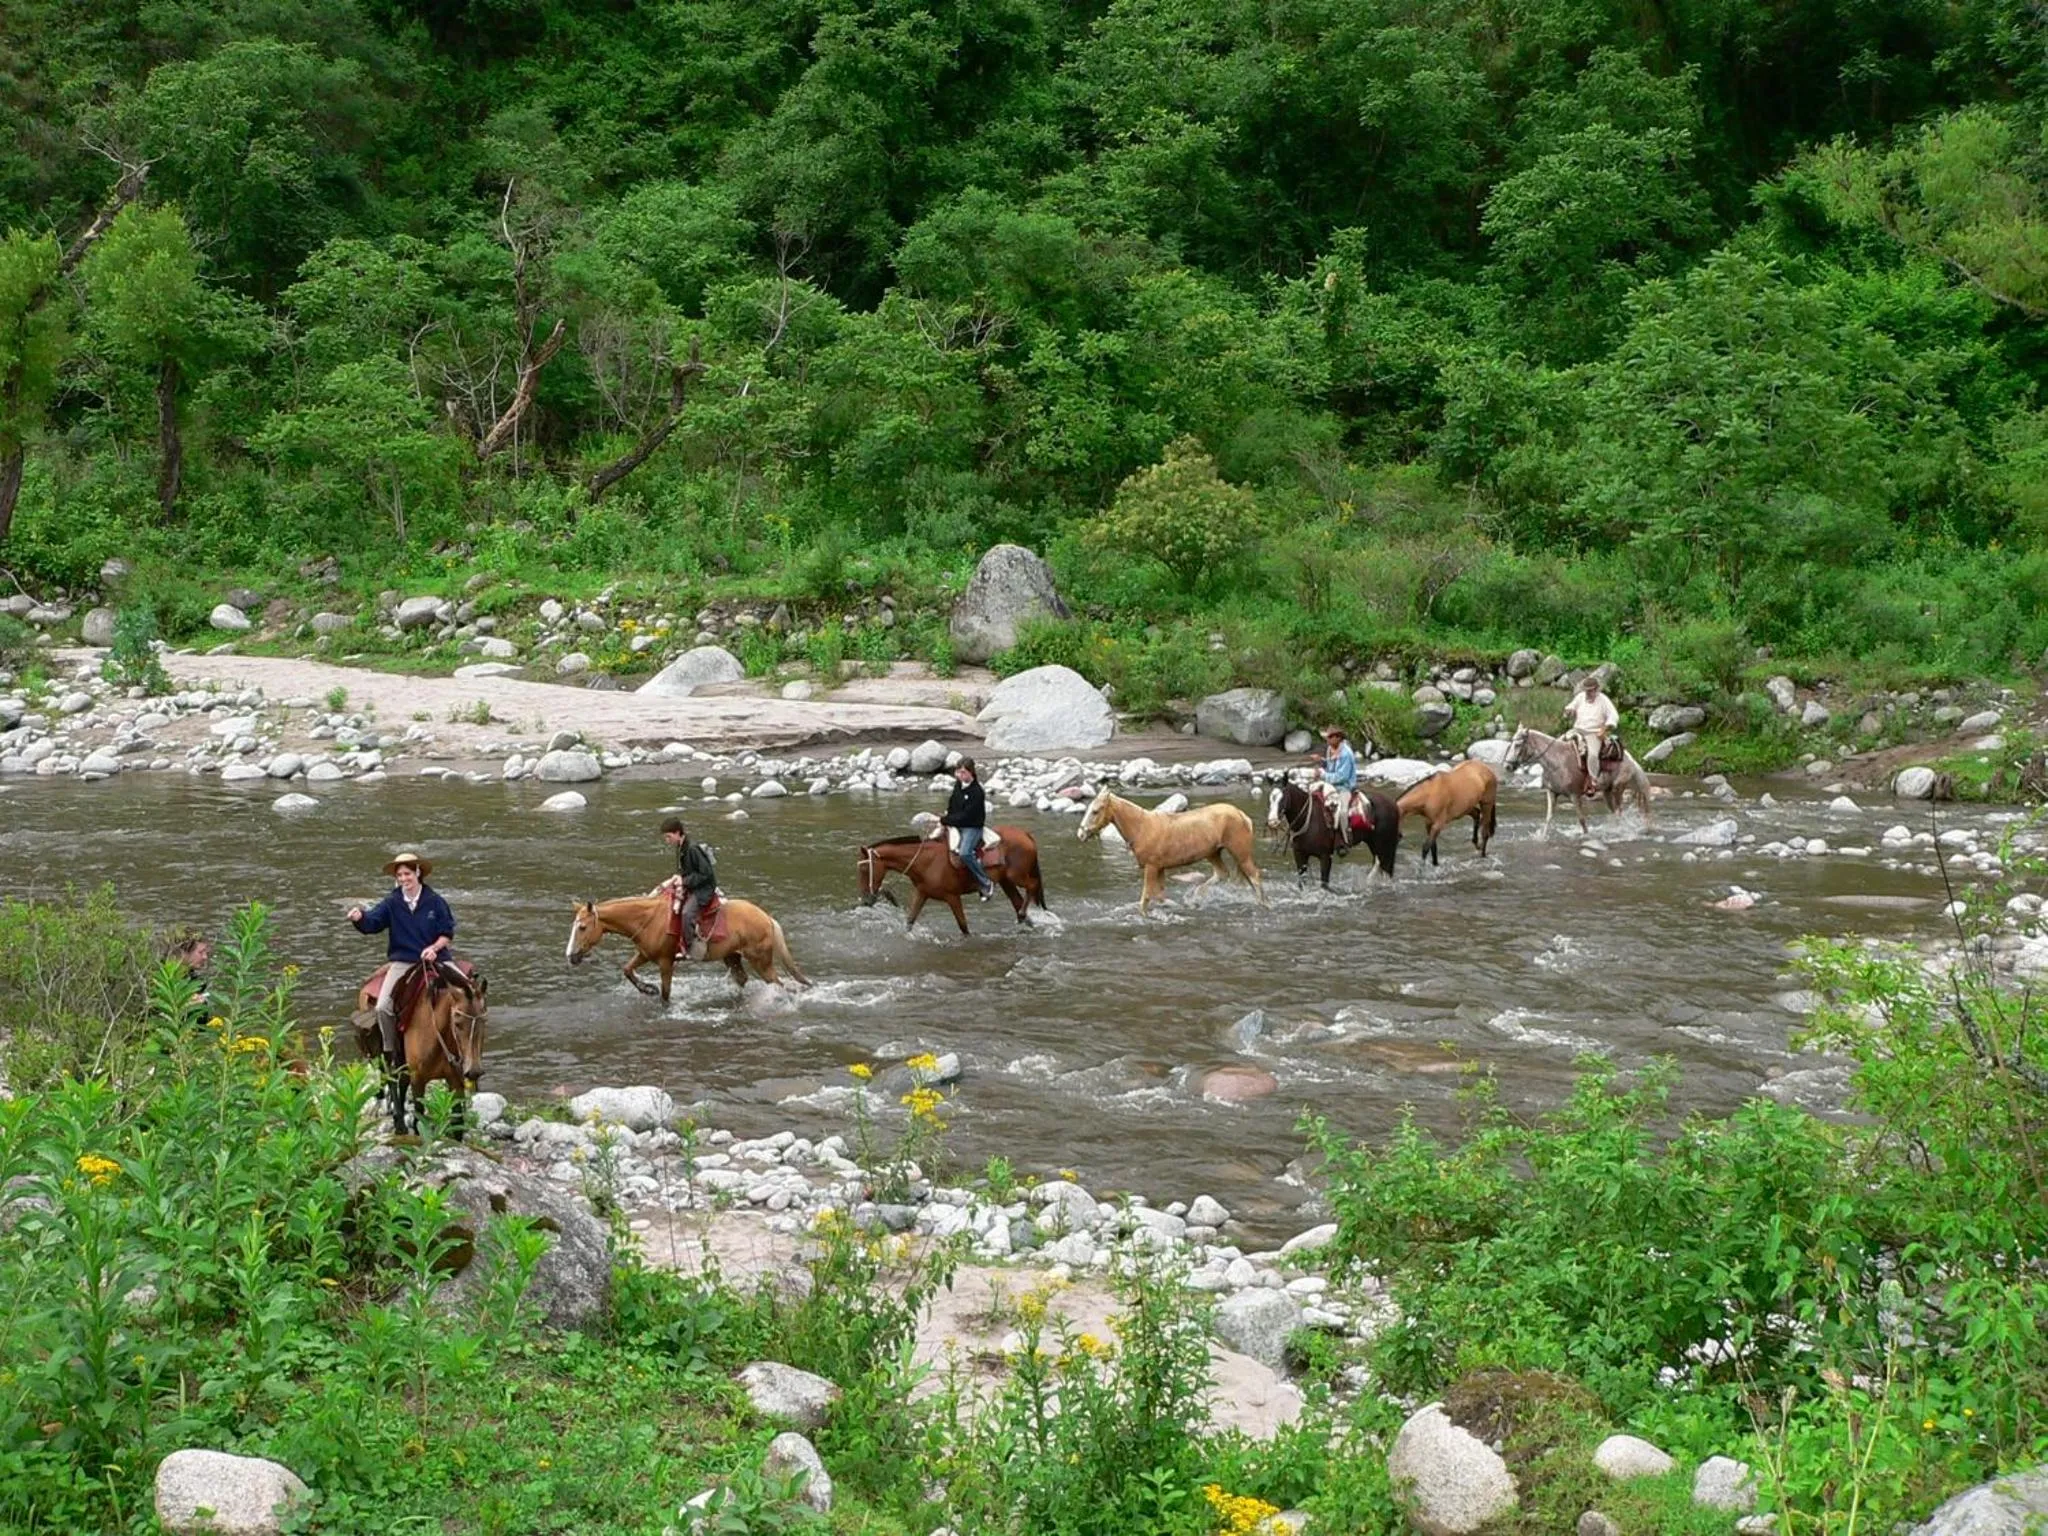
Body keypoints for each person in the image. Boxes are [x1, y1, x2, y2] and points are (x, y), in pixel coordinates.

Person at [348, 851, 456, 1071]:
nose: (404, 879)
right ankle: (392, 1051)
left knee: (468, 994)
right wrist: (360, 918)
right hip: (404, 961)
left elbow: (447, 933)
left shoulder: (435, 901)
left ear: (418, 873)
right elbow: (373, 923)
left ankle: (464, 1048)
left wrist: (434, 948)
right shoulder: (392, 902)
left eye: (407, 874)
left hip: (437, 959)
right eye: (400, 875)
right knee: (382, 1007)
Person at [937, 757, 996, 900]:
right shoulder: (958, 785)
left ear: (971, 772)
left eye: (963, 772)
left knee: (964, 853)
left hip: (972, 827)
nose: (961, 775)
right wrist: (947, 817)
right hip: (955, 823)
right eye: (958, 772)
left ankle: (986, 882)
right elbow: (953, 802)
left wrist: (946, 820)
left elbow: (967, 816)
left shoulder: (977, 792)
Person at [659, 817, 717, 958]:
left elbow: (706, 874)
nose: (667, 841)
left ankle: (690, 947)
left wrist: (684, 881)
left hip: (703, 889)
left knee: (686, 913)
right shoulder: (681, 847)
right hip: (693, 885)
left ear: (678, 833)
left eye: (669, 837)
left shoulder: (692, 849)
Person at [1563, 674, 1620, 794]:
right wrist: (1568, 711)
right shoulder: (1580, 697)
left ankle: (1593, 781)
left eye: (1590, 691)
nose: (1588, 693)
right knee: (1558, 744)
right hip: (1577, 730)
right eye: (1586, 691)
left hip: (1593, 733)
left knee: (1593, 754)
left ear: (1596, 689)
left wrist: (1604, 729)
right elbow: (1571, 707)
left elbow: (1613, 716)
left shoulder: (1603, 700)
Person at [1316, 725, 1361, 841]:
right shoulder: (1330, 749)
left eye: (1330, 737)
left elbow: (1342, 777)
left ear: (1338, 738)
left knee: (1342, 812)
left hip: (1344, 787)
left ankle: (1345, 839)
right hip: (1330, 784)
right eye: (1327, 737)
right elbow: (1331, 767)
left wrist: (1322, 775)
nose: (1328, 740)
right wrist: (1322, 761)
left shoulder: (1346, 754)